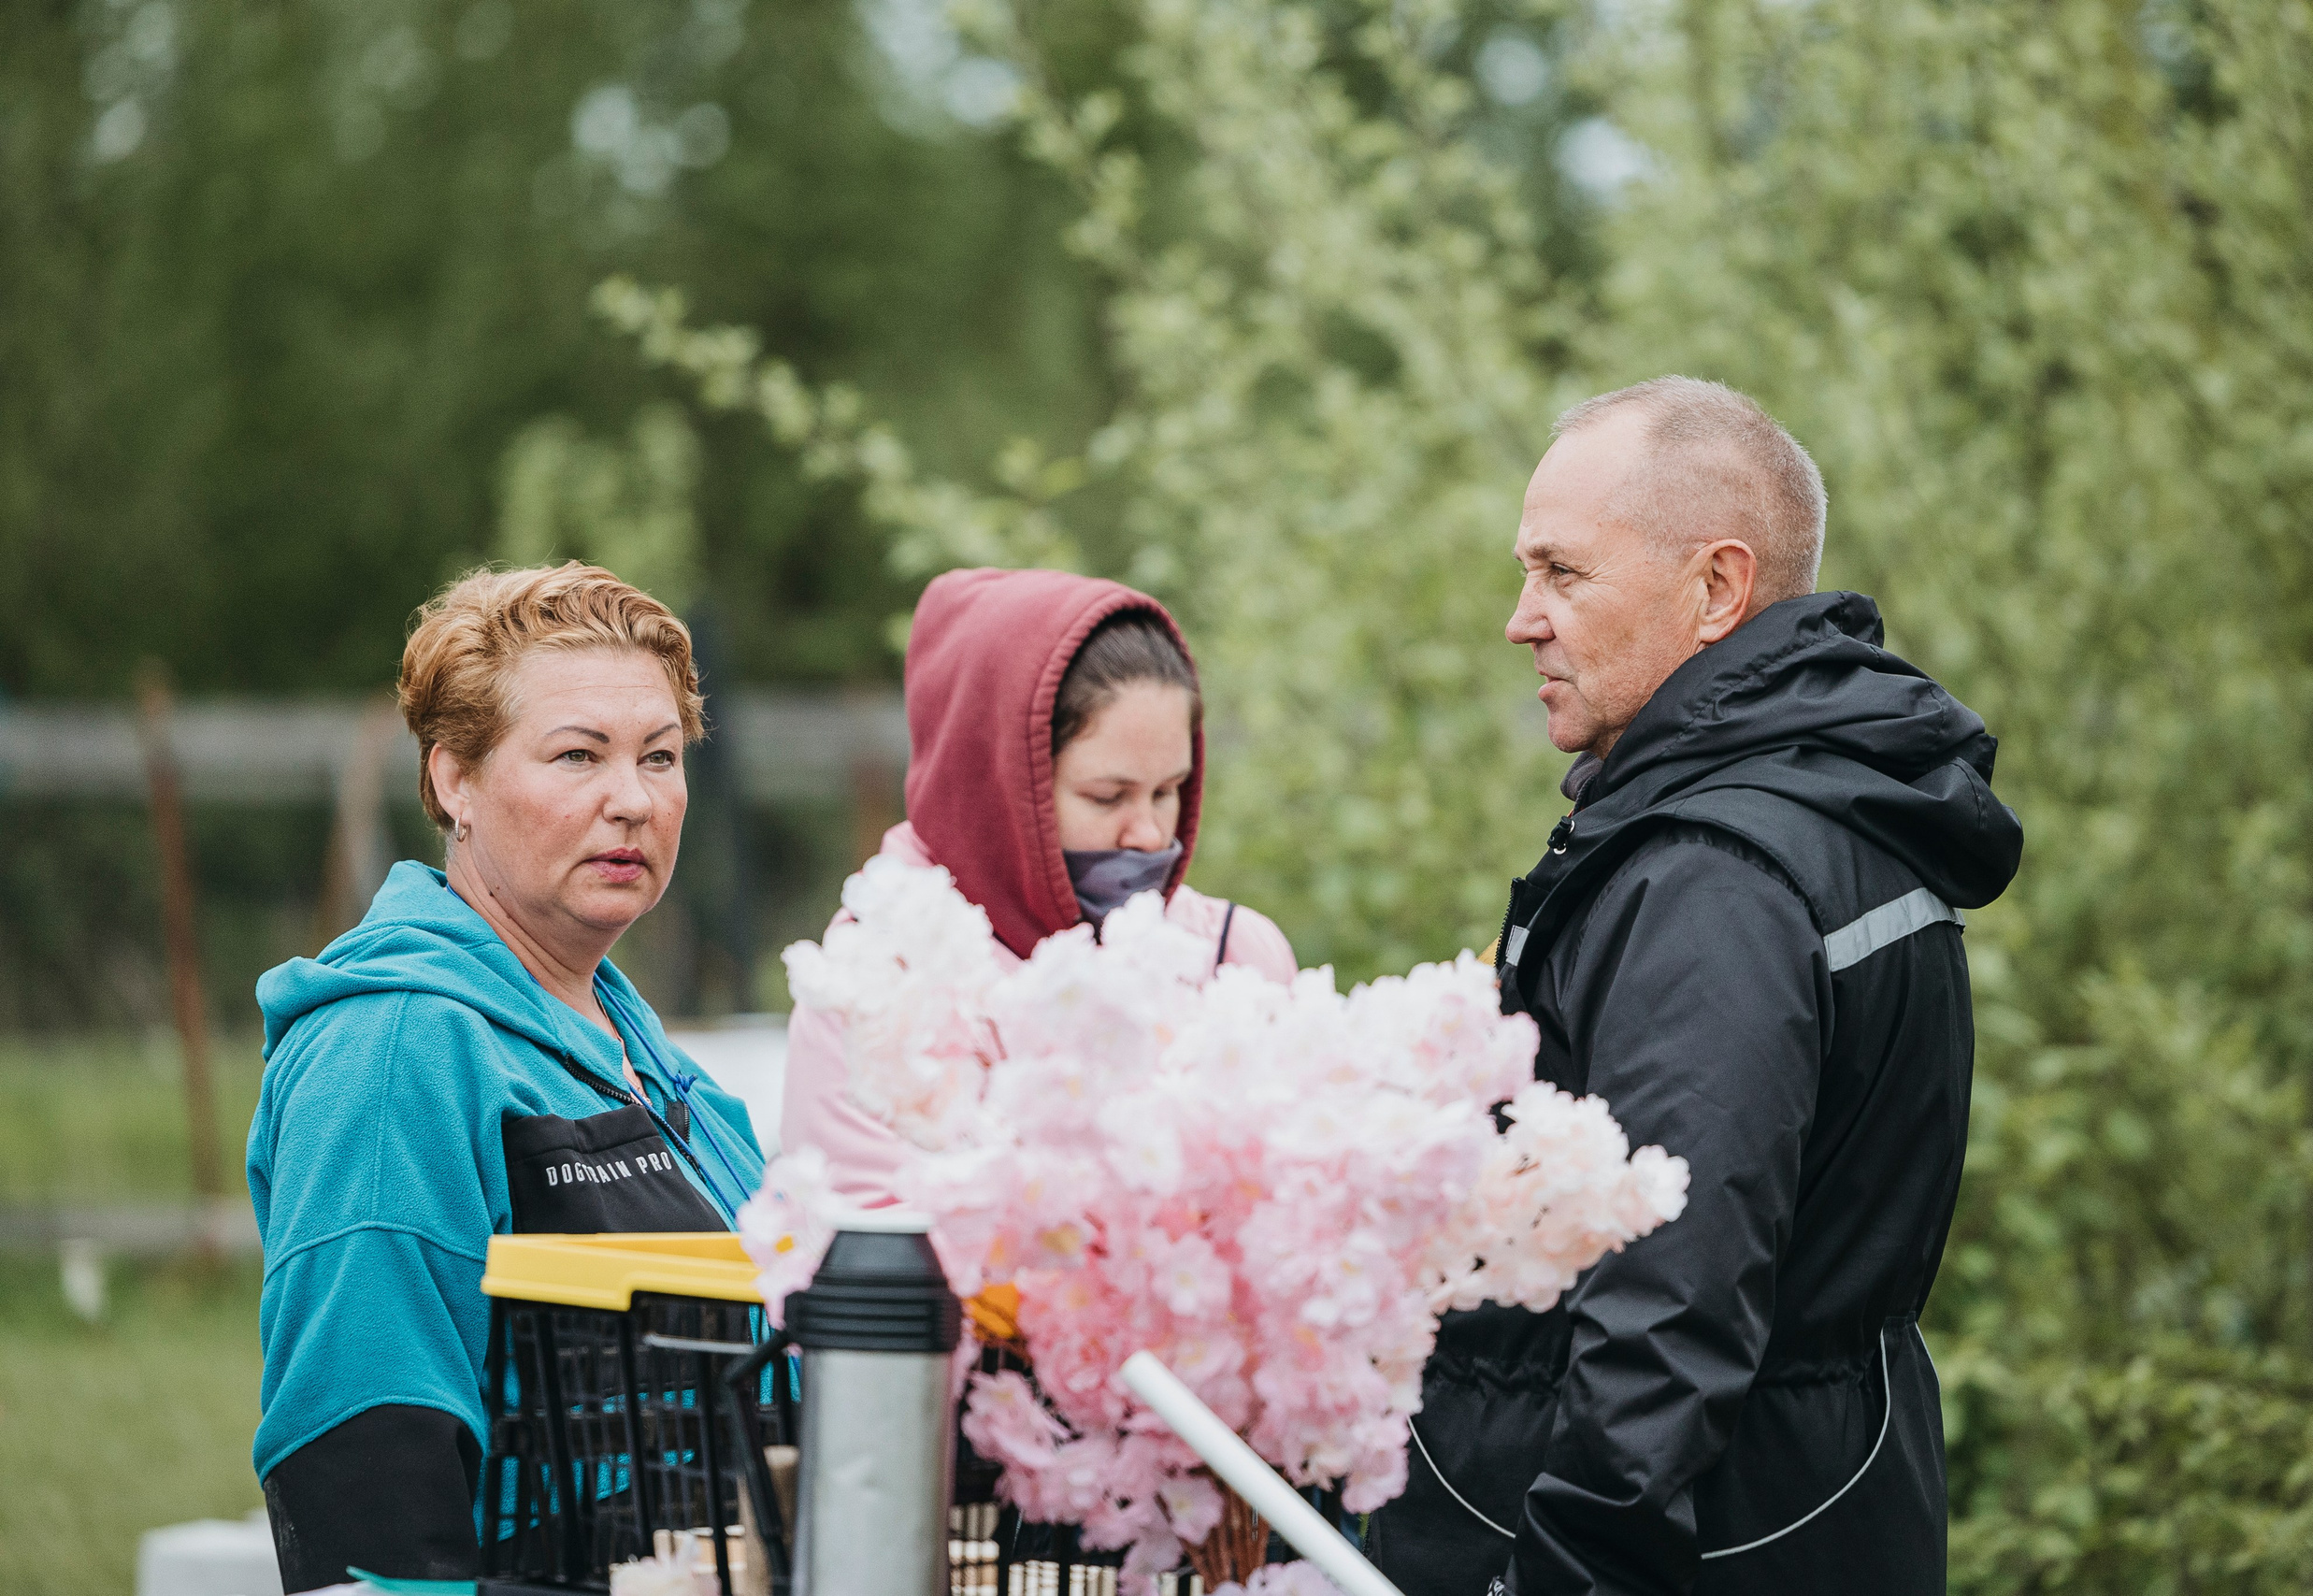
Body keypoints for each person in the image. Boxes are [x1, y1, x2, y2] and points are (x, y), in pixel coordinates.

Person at [1372, 379, 2023, 1596]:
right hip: (1819, 1507)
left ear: (1717, 588)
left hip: (1709, 1544)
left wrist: (1559, 1576)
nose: (1523, 618)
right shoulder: (1837, 803)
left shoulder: (1714, 880)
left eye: (1564, 573)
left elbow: (1669, 1308)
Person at [246, 564, 766, 1591]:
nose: (632, 799)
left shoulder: (642, 1052)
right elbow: (362, 1465)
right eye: (578, 755)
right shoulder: (394, 1050)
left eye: (659, 757)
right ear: (453, 780)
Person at [783, 566, 1299, 1203]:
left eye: (1168, 792)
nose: (1147, 833)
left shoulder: (1237, 958)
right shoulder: (872, 993)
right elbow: (876, 1272)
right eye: (1107, 795)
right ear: (1000, 781)